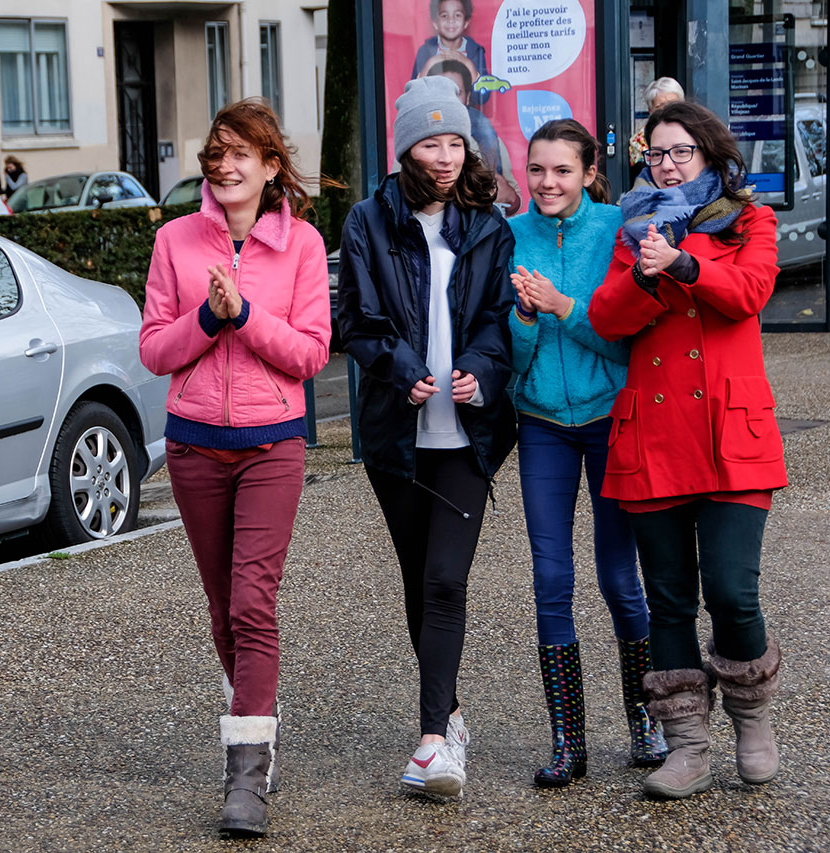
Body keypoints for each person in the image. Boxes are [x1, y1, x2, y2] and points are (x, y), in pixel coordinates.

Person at [138, 99, 331, 836]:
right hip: (193, 445)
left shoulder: (302, 244)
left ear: (271, 166)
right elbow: (154, 350)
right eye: (215, 153)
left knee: (253, 602)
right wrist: (208, 317)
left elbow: (311, 353)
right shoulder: (175, 241)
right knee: (223, 607)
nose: (224, 165)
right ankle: (260, 716)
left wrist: (245, 314)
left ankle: (246, 778)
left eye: (240, 153)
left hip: (271, 444)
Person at [587, 100, 789, 800]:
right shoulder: (634, 227)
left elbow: (751, 292)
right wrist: (646, 275)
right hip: (655, 435)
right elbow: (606, 318)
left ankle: (752, 717)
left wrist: (683, 264)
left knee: (733, 590)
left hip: (732, 433)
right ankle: (688, 746)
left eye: (681, 152)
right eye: (657, 153)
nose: (667, 165)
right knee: (668, 599)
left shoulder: (749, 218)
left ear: (710, 155)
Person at [337, 76, 516, 799]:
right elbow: (357, 322)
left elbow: (498, 320)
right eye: (430, 142)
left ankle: (433, 744)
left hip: (468, 435)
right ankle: (452, 713)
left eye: (455, 142)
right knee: (419, 581)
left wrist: (480, 369)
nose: (445, 156)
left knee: (446, 579)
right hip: (399, 436)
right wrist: (402, 367)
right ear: (405, 147)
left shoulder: (489, 225)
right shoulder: (367, 222)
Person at [508, 118, 668, 788]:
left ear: (590, 172)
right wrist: (524, 319)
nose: (547, 183)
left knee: (618, 578)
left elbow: (626, 340)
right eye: (536, 170)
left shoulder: (616, 231)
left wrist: (562, 306)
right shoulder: (511, 235)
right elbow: (511, 358)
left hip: (609, 419)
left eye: (562, 170)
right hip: (541, 423)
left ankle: (646, 720)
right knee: (551, 579)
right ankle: (567, 740)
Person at [426, 59, 521, 216]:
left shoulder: (490, 140)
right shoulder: (415, 146)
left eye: (457, 92)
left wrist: (512, 200)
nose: (449, 100)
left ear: (468, 97)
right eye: (442, 92)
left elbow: (512, 197)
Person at [411, 0, 492, 107]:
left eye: (457, 15)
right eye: (444, 16)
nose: (451, 20)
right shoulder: (425, 51)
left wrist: (468, 64)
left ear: (466, 22)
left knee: (481, 119)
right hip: (434, 111)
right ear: (435, 23)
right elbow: (413, 96)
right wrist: (431, 63)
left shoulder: (474, 51)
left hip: (465, 112)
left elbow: (482, 98)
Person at [629, 78, 685, 179]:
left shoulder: (693, 132)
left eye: (673, 105)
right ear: (650, 111)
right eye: (660, 107)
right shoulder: (640, 141)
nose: (668, 111)